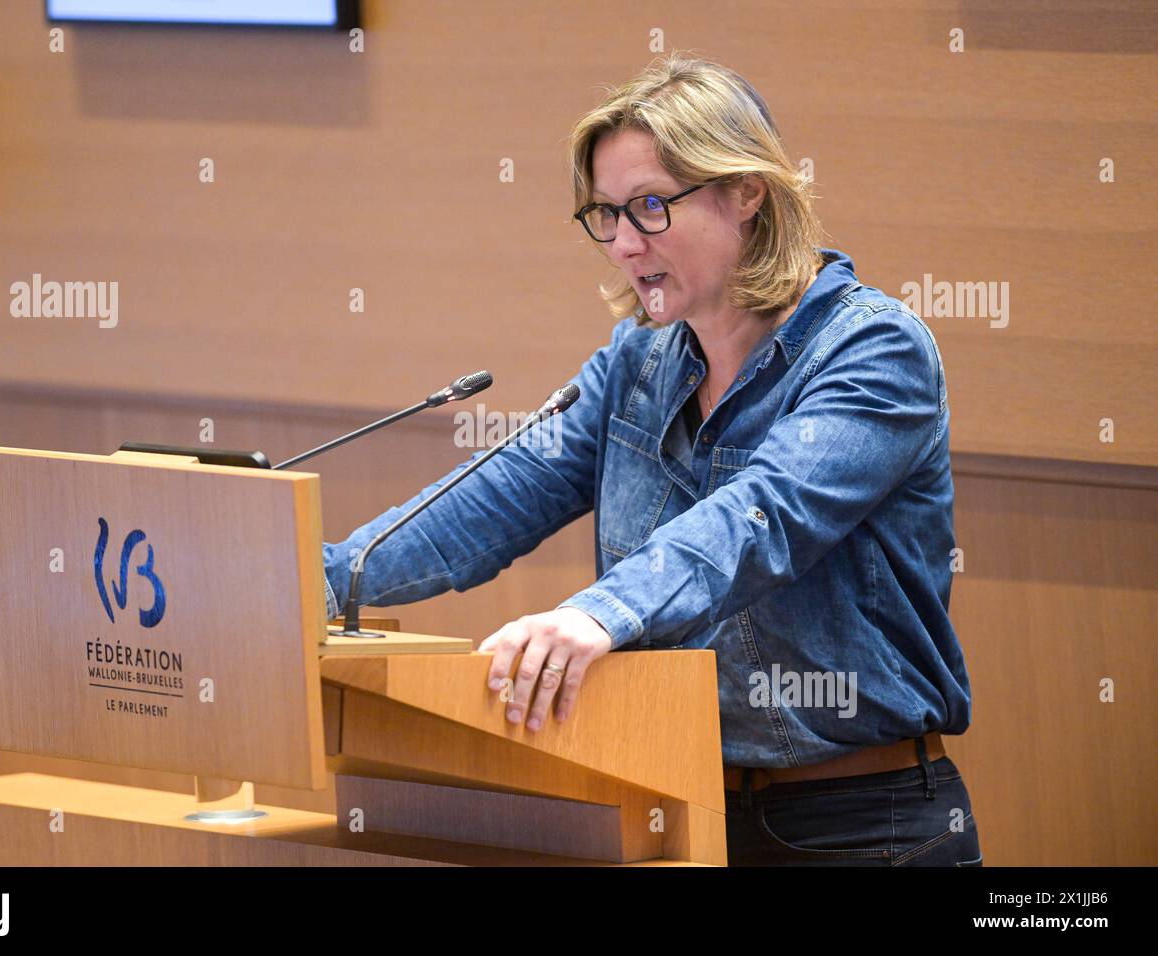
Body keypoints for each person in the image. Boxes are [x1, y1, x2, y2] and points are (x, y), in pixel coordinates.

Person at [322, 53, 981, 866]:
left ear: (747, 192)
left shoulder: (874, 351)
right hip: (667, 804)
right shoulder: (636, 363)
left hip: (857, 825)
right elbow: (491, 501)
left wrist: (600, 612)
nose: (625, 245)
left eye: (650, 207)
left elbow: (762, 518)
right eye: (605, 215)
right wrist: (320, 583)